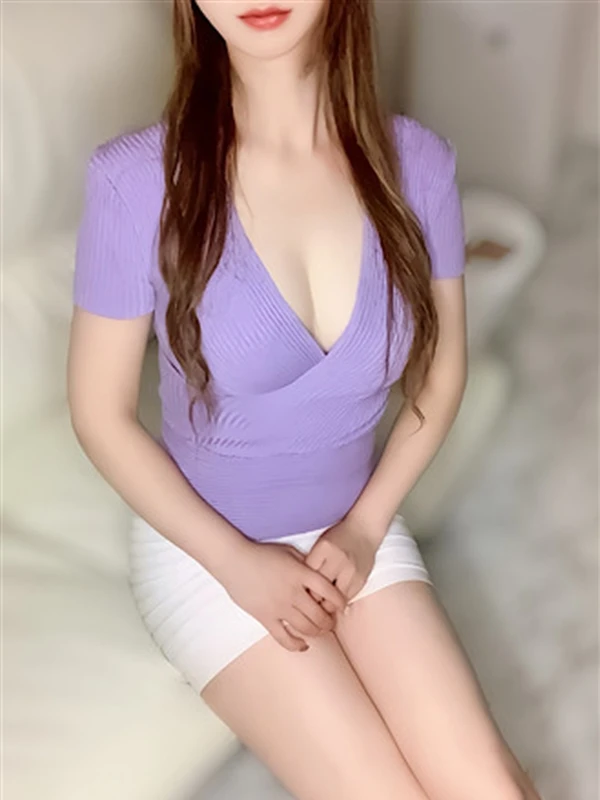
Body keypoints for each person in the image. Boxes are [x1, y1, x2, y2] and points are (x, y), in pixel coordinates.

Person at [67, 2, 542, 798]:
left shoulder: (418, 163)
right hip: (208, 555)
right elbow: (100, 417)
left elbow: (441, 374)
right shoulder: (135, 180)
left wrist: (365, 527)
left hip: (354, 529)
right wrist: (238, 565)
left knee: (494, 786)